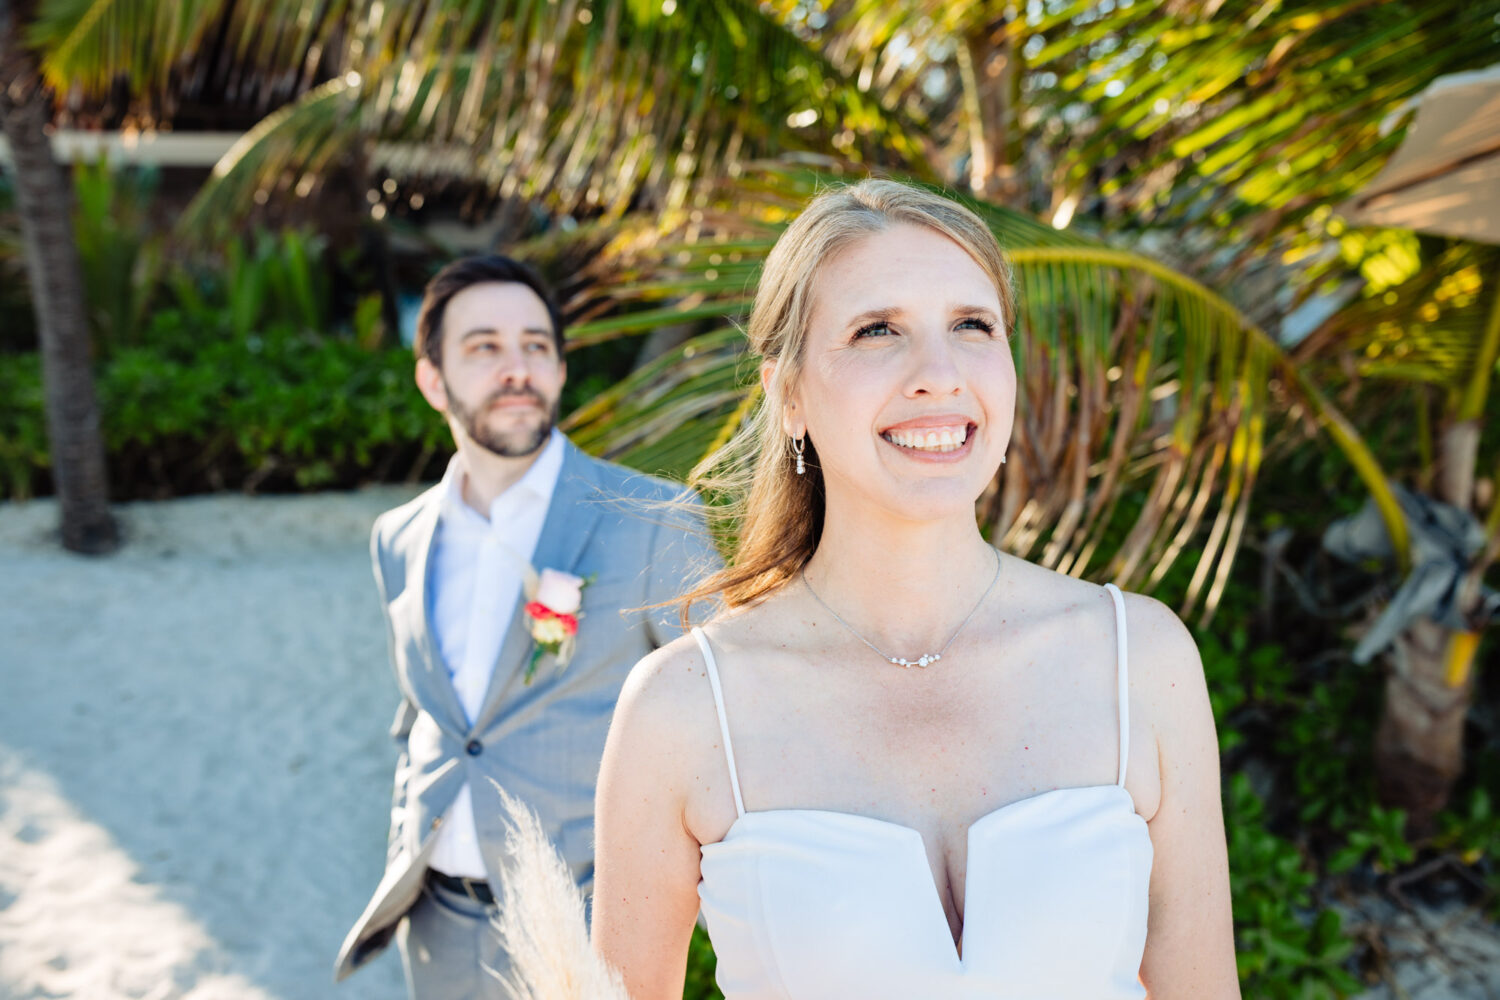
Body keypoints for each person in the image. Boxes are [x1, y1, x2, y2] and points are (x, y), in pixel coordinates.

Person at [592, 181, 1240, 998]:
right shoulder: (684, 707)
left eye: (973, 325)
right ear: (787, 394)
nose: (940, 374)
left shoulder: (1140, 659)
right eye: (877, 331)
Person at [333, 254, 717, 999]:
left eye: (537, 346)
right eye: (485, 347)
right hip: (435, 924)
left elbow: (725, 718)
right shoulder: (398, 538)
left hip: (587, 929)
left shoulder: (651, 520)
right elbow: (424, 713)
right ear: (432, 379)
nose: (518, 368)